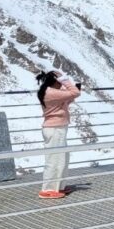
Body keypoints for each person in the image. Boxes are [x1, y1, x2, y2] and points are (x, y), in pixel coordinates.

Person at [36, 70, 82, 199]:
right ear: (57, 81)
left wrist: (70, 93)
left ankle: (59, 186)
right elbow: (75, 92)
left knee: (62, 159)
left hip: (58, 128)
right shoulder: (50, 92)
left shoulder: (51, 92)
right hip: (54, 129)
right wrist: (66, 80)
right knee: (53, 160)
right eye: (60, 82)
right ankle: (47, 189)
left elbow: (66, 101)